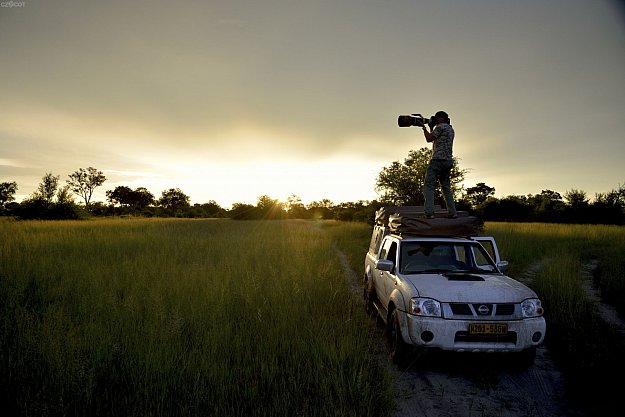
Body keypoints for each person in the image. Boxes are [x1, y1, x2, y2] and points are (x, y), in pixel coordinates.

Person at [421, 110, 457, 219]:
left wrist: (424, 128)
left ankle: (429, 213)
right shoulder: (450, 129)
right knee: (446, 187)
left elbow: (429, 139)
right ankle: (452, 212)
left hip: (437, 160)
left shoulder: (440, 127)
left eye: (437, 118)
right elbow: (435, 139)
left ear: (441, 118)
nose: (435, 120)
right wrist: (431, 128)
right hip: (448, 161)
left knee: (429, 186)